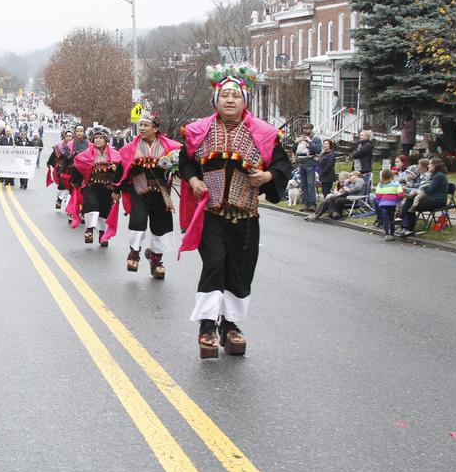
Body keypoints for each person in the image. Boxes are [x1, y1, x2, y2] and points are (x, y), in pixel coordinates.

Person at [178, 64, 290, 359]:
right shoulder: (198, 132)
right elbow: (186, 161)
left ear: (245, 101)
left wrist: (267, 178)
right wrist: (193, 179)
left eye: (235, 96)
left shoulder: (265, 134)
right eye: (224, 95)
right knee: (215, 263)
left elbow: (282, 166)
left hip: (246, 218)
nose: (229, 100)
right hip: (211, 214)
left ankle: (230, 325)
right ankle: (206, 326)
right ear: (215, 100)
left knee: (239, 271)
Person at [115, 111, 181, 279]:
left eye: (146, 125)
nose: (142, 128)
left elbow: (181, 166)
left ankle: (156, 260)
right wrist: (117, 190)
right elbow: (123, 168)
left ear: (155, 128)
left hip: (161, 191)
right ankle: (134, 253)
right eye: (141, 125)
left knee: (162, 225)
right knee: (138, 219)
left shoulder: (170, 147)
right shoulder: (132, 148)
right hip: (139, 189)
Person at [67, 127, 123, 247]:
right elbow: (77, 165)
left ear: (106, 140)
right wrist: (75, 181)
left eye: (100, 138)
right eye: (96, 138)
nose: (98, 140)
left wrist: (115, 169)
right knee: (91, 205)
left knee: (105, 210)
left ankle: (103, 233)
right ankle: (89, 229)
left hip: (107, 187)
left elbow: (121, 172)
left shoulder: (115, 155)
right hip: (90, 185)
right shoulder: (85, 154)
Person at [398, 157, 448, 237]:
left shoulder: (439, 176)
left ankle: (403, 221)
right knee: (410, 202)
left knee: (410, 203)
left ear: (435, 165)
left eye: (430, 164)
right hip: (432, 199)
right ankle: (406, 225)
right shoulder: (435, 175)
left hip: (437, 201)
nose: (428, 166)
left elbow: (430, 191)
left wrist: (423, 189)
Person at [293, 123, 322, 212]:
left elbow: (318, 150)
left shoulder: (315, 138)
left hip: (310, 162)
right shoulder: (301, 138)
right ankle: (306, 203)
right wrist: (296, 142)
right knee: (303, 184)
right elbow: (294, 149)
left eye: (307, 129)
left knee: (310, 184)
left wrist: (310, 142)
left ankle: (312, 204)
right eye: (304, 129)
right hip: (301, 162)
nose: (305, 130)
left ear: (311, 129)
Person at [46, 130, 75, 209]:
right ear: (64, 137)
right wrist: (49, 163)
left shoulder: (75, 146)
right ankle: (59, 199)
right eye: (67, 136)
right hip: (60, 169)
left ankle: (67, 201)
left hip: (71, 170)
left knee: (70, 186)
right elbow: (53, 156)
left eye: (70, 136)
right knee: (62, 185)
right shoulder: (59, 146)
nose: (68, 138)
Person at [373, 168, 404, 241]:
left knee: (385, 219)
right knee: (391, 218)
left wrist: (379, 202)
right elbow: (400, 194)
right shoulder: (396, 184)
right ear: (391, 176)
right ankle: (392, 234)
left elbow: (377, 195)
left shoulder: (380, 185)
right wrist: (397, 199)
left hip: (383, 204)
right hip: (392, 204)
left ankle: (386, 233)